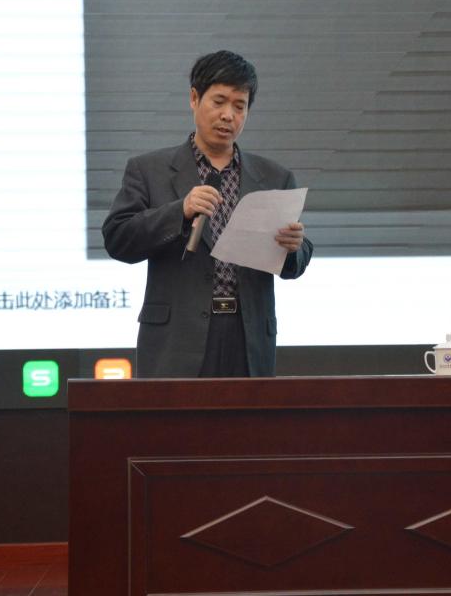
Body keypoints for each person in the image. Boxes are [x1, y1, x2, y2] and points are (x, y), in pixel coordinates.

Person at [102, 50, 313, 377]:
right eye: (219, 102)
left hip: (248, 338)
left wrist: (294, 247)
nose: (228, 115)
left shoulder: (274, 177)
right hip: (176, 339)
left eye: (239, 106)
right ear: (194, 98)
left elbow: (295, 264)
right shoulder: (149, 170)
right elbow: (117, 238)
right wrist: (180, 211)